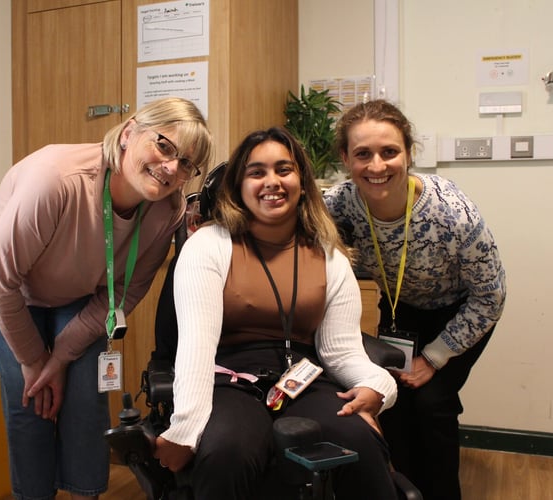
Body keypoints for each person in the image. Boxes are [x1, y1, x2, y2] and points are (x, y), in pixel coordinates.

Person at [0, 97, 213, 500]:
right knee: (31, 397)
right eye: (164, 146)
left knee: (84, 393)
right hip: (3, 277)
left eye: (186, 164)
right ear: (130, 132)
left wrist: (60, 357)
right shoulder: (56, 179)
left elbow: (126, 292)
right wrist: (33, 361)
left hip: (80, 287)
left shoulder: (168, 208)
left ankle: (85, 493)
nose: (171, 168)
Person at [154, 127, 399, 499]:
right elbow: (196, 347)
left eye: (284, 170)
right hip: (229, 379)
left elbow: (341, 350)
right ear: (239, 185)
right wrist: (185, 430)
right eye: (257, 172)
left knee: (356, 442)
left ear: (302, 180)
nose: (273, 182)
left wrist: (379, 386)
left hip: (305, 377)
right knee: (226, 452)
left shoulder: (329, 256)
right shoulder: (209, 245)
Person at [324, 99, 506, 500]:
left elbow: (491, 296)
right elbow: (289, 222)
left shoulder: (451, 213)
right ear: (345, 158)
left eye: (389, 152)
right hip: (400, 308)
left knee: (432, 403)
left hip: (462, 311)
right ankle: (402, 490)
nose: (376, 166)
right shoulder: (338, 203)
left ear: (409, 153)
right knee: (395, 401)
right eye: (362, 154)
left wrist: (436, 356)